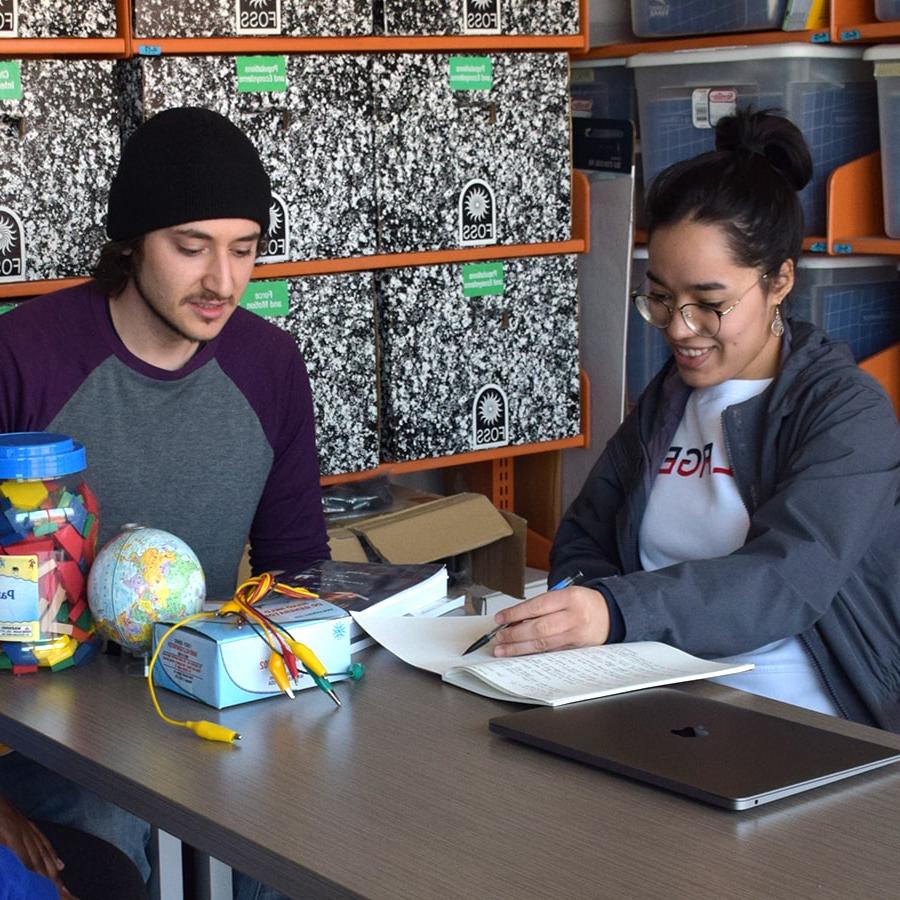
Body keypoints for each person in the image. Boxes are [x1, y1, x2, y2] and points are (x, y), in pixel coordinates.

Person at [0, 107, 331, 898]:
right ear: (131, 242)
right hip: (48, 732)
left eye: (244, 250)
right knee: (108, 847)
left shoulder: (270, 365)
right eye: (191, 248)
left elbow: (298, 573)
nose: (222, 281)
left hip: (217, 699)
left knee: (309, 856)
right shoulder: (24, 356)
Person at [490, 109, 900, 732]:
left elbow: (786, 580)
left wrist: (617, 612)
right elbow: (585, 541)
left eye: (709, 304)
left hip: (803, 723)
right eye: (659, 297)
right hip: (657, 699)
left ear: (780, 280)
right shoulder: (668, 399)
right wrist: (586, 619)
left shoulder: (846, 413)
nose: (680, 329)